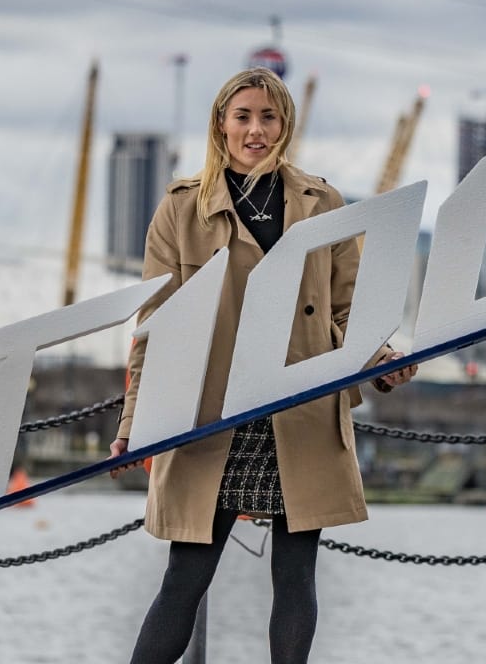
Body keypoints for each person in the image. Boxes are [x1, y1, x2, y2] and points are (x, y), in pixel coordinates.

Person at [108, 67, 416, 663]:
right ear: (220, 126)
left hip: (299, 404)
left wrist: (380, 361)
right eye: (243, 116)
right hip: (213, 412)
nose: (256, 130)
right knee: (184, 580)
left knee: (297, 577)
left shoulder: (322, 202)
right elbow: (153, 328)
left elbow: (351, 311)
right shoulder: (180, 210)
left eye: (268, 117)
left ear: (286, 125)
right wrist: (133, 423)